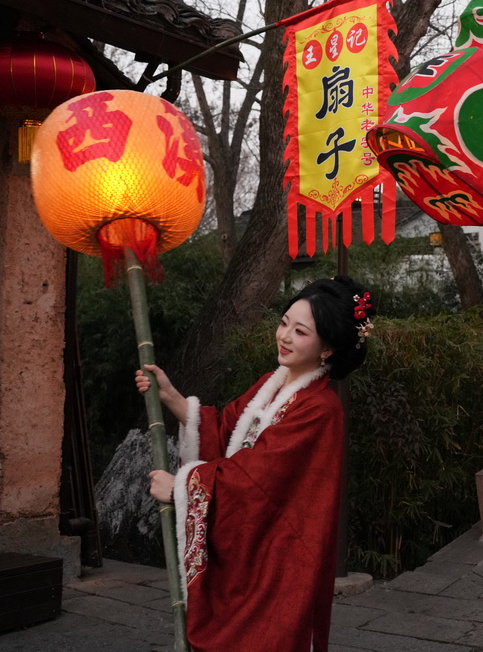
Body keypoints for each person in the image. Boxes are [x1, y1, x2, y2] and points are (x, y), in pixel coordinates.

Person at [135, 276, 374, 652]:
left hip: (280, 551)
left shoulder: (320, 409)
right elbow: (226, 430)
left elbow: (259, 478)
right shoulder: (272, 383)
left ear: (327, 348)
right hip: (252, 542)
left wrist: (183, 485)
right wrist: (171, 396)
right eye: (283, 323)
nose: (285, 336)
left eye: (300, 331)